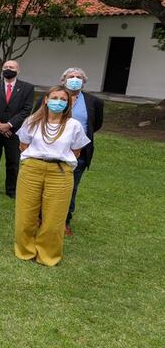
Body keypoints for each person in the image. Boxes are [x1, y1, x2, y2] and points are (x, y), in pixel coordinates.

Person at [14, 86, 90, 266]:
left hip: (60, 172)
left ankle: (48, 255)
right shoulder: (31, 121)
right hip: (32, 169)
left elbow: (76, 151)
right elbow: (23, 145)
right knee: (26, 213)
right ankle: (25, 250)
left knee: (54, 217)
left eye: (63, 99)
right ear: (46, 100)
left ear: (68, 103)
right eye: (54, 97)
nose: (58, 102)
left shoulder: (74, 125)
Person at [59, 67, 103, 235]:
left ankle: (65, 220)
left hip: (79, 154)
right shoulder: (52, 97)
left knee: (71, 187)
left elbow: (95, 124)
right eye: (71, 76)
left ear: (83, 82)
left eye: (79, 77)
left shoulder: (94, 102)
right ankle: (42, 217)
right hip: (52, 151)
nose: (75, 79)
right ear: (63, 80)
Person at [0, 60, 35, 198]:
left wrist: (9, 125)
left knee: (13, 161)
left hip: (15, 132)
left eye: (11, 67)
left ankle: (12, 189)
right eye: (6, 67)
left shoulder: (27, 88)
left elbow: (26, 110)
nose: (8, 69)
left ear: (18, 70)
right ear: (2, 69)